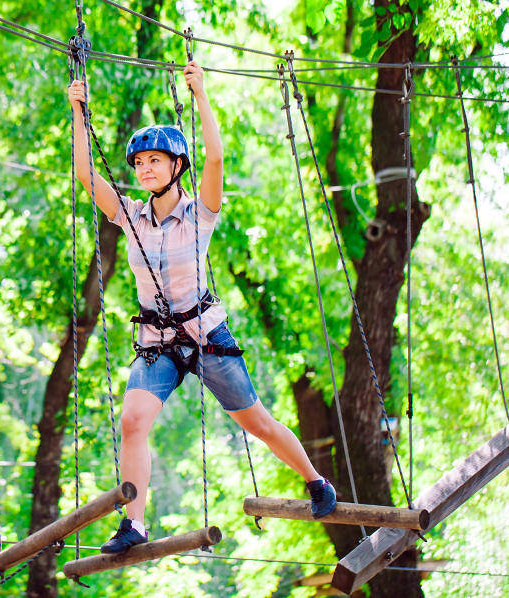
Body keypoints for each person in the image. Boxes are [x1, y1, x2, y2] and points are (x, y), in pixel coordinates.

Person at [66, 61, 337, 555]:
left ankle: (316, 481)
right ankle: (135, 524)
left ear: (175, 167)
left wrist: (202, 97)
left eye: (155, 161)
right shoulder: (131, 216)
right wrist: (78, 113)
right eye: (140, 163)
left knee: (256, 423)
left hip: (207, 336)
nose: (145, 169)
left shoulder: (199, 214)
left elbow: (215, 158)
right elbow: (85, 174)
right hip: (158, 344)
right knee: (132, 421)